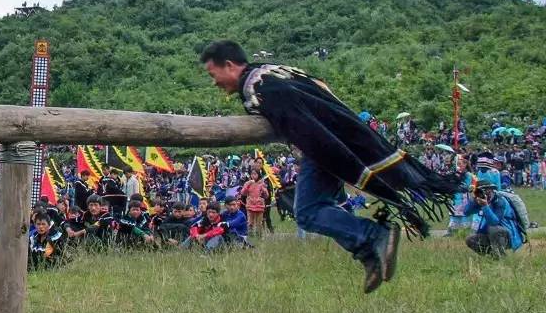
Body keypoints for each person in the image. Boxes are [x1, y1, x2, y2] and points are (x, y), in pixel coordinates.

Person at [201, 40, 458, 293]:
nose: (214, 82)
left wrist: (325, 153)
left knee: (308, 212)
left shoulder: (262, 89)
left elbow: (306, 127)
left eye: (214, 74)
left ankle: (372, 237)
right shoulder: (272, 72)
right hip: (333, 139)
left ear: (229, 65)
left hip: (323, 146)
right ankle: (369, 253)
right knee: (325, 206)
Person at [461, 176, 525, 257]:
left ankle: (499, 256)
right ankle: (492, 256)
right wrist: (474, 200)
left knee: (494, 229)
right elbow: (466, 212)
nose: (485, 194)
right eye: (481, 192)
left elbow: (494, 222)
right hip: (491, 235)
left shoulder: (500, 202)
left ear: (491, 190)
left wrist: (485, 206)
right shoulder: (480, 199)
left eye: (487, 191)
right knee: (470, 240)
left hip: (508, 236)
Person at [238, 169, 269, 235]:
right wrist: (247, 185)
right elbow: (243, 193)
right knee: (250, 222)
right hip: (250, 205)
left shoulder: (262, 184)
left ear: (258, 175)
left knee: (259, 223)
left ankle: (259, 235)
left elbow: (266, 196)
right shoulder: (248, 183)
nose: (253, 175)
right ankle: (250, 235)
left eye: (255, 174)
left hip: (259, 206)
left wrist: (264, 190)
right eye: (252, 174)